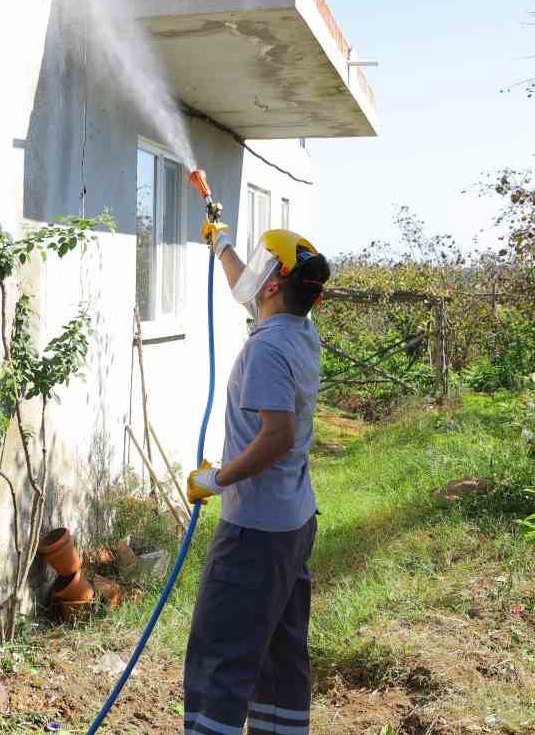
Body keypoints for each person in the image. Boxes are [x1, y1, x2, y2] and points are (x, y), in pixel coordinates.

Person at [181, 220, 331, 735]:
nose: (254, 275)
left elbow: (277, 437)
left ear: (273, 285)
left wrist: (215, 480)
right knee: (280, 654)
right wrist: (220, 243)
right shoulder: (299, 329)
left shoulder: (266, 348)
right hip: (294, 522)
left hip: (255, 532)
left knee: (220, 651)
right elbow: (249, 290)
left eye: (262, 266)